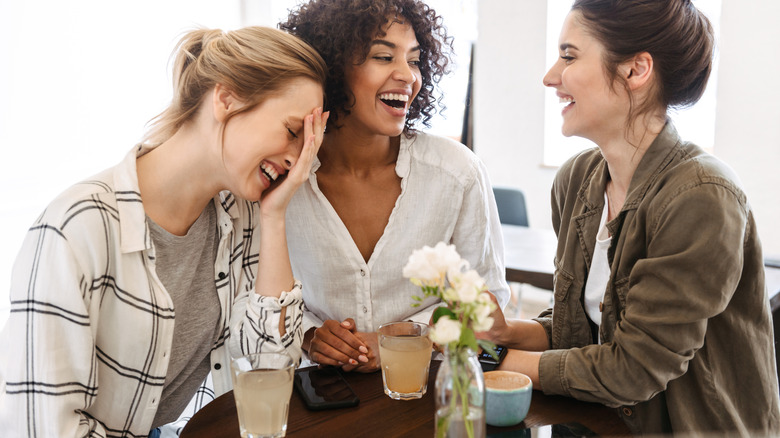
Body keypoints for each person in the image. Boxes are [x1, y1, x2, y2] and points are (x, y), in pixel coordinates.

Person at [0, 26, 331, 437]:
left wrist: (274, 216)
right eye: (292, 132)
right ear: (226, 99)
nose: (296, 159)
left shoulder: (242, 215)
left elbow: (268, 368)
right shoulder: (75, 229)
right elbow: (43, 427)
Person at [481, 0, 780, 435]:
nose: (550, 76)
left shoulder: (702, 196)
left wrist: (498, 362)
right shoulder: (576, 180)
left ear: (636, 70)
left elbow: (633, 370)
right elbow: (586, 332)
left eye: (568, 56)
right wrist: (510, 332)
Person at [278, 0, 510, 373]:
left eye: (415, 60)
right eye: (384, 57)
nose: (408, 75)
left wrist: (403, 336)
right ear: (332, 68)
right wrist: (309, 335)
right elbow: (253, 294)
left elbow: (487, 301)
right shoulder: (282, 177)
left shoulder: (457, 173)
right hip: (320, 398)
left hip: (433, 387)